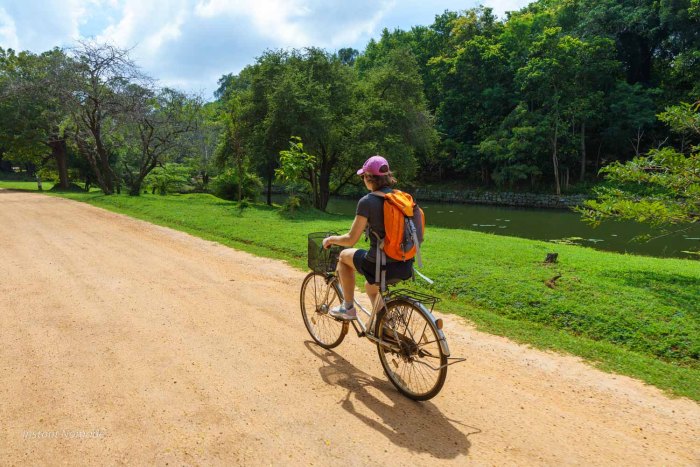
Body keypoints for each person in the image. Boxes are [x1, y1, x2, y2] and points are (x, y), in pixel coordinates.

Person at [322, 156, 414, 320]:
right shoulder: (401, 198)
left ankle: (348, 308)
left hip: (379, 265)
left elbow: (351, 239)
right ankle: (383, 324)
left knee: (343, 256)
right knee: (370, 287)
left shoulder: (367, 201)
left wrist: (331, 240)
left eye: (363, 176)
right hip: (404, 263)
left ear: (369, 177)